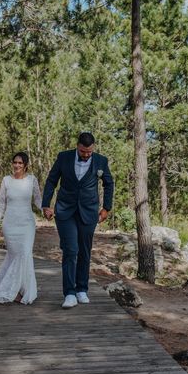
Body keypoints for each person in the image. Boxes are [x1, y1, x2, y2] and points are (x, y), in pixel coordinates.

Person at [42, 132, 114, 308]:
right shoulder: (63, 157)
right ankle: (69, 293)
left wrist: (106, 208)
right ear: (77, 146)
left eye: (89, 152)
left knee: (84, 251)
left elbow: (108, 183)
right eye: (83, 152)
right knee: (70, 250)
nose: (86, 155)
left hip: (89, 212)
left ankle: (82, 289)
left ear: (93, 148)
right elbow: (52, 181)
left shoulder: (101, 161)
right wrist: (46, 205)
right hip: (65, 211)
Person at [0, 152, 42, 304]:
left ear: (26, 165)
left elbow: (38, 200)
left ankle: (22, 290)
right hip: (10, 224)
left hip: (27, 224)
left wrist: (47, 210)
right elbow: (1, 204)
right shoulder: (6, 180)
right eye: (15, 162)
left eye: (20, 163)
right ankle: (14, 289)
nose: (17, 165)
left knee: (24, 254)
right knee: (14, 256)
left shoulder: (32, 180)